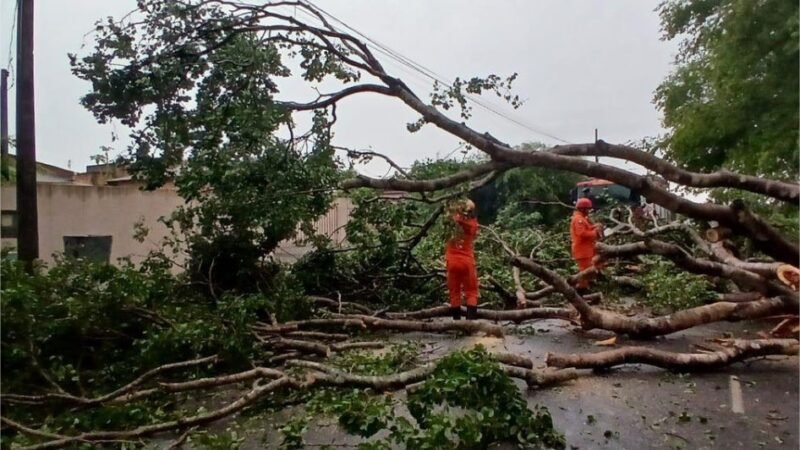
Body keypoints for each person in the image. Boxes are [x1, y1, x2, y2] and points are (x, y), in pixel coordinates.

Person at [445, 199, 479, 320]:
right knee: (471, 292)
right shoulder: (473, 224)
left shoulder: (450, 222)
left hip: (452, 261)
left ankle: (457, 324)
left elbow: (448, 212)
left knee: (454, 293)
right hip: (467, 262)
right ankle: (470, 324)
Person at [570, 197, 602, 294]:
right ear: (583, 209)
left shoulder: (582, 219)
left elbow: (586, 229)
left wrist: (594, 226)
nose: (589, 211)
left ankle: (586, 287)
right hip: (582, 250)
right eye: (588, 209)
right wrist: (595, 233)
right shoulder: (578, 219)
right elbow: (582, 233)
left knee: (589, 269)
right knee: (585, 272)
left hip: (586, 249)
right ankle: (582, 292)